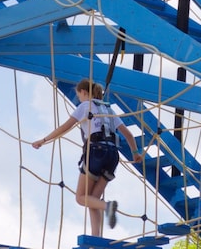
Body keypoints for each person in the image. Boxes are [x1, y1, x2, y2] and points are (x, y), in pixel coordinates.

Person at [32, 79, 142, 237]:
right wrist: (135, 153)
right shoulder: (109, 110)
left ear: (84, 92)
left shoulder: (84, 106)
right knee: (92, 198)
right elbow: (129, 135)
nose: (79, 99)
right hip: (113, 155)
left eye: (79, 96)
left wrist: (43, 141)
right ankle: (96, 236)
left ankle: (107, 206)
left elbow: (64, 127)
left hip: (96, 152)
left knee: (80, 197)